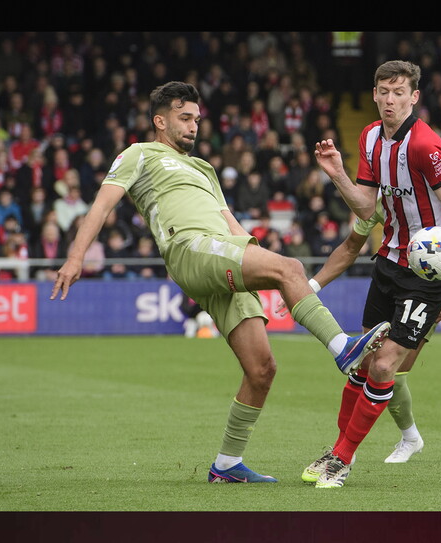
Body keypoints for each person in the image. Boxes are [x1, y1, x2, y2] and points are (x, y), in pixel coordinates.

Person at [50, 81, 391, 484]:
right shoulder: (139, 154)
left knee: (262, 368)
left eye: (197, 119)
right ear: (160, 121)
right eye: (184, 118)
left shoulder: (204, 168)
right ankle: (342, 349)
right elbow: (102, 205)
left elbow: (231, 224)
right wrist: (74, 258)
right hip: (190, 246)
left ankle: (227, 464)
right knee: (291, 267)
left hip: (223, 249)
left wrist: (263, 260)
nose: (194, 126)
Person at [305, 60, 441, 488]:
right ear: (374, 94)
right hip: (390, 262)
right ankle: (339, 453)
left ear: (414, 98)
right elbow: (366, 208)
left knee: (386, 365)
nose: (390, 99)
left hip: (431, 273)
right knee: (363, 363)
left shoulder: (425, 144)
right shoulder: (371, 137)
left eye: (399, 93)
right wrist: (338, 172)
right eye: (383, 91)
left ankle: (341, 458)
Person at [279, 194, 441, 473]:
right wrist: (308, 287)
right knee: (389, 371)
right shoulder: (382, 200)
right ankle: (409, 437)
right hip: (414, 288)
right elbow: (350, 247)